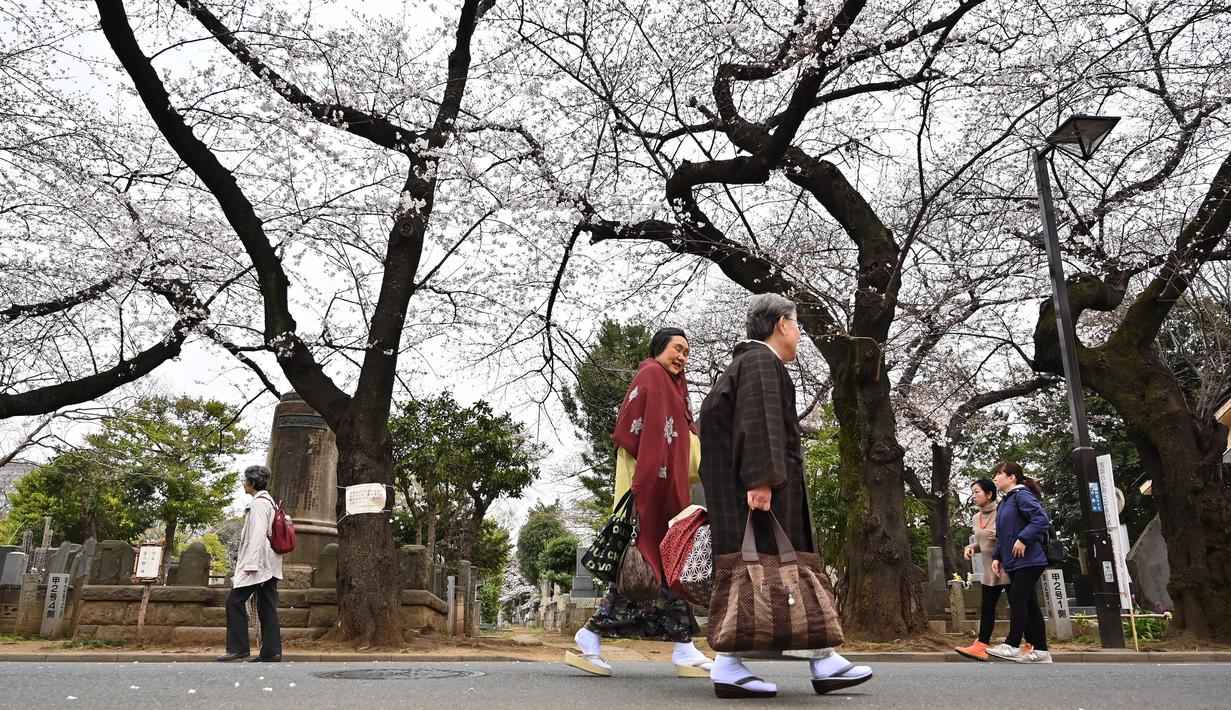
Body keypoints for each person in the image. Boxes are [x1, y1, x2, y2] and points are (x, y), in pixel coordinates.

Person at [698, 294, 872, 699]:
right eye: (797, 324)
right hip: (759, 493)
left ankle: (800, 659)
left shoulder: (744, 364)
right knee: (781, 570)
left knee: (758, 573)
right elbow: (757, 423)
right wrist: (762, 479)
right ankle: (817, 659)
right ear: (780, 324)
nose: (800, 333)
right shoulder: (760, 362)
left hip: (745, 492)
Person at [565, 327, 714, 678]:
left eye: (686, 352)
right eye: (676, 349)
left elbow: (685, 446)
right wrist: (648, 482)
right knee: (647, 570)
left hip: (666, 492)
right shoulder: (650, 375)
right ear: (659, 349)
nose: (682, 357)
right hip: (647, 490)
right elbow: (629, 434)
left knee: (664, 571)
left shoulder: (675, 387)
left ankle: (684, 648)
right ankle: (591, 636)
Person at [986, 460, 1052, 663]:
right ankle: (1041, 651)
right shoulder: (1006, 501)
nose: (995, 478)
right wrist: (997, 557)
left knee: (1017, 599)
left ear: (1011, 477)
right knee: (1029, 604)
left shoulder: (1022, 496)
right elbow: (1002, 534)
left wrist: (1024, 538)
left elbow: (1041, 520)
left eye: (998, 474)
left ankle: (1012, 645)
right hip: (1015, 561)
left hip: (1030, 559)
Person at [216, 465, 284, 662]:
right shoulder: (268, 501)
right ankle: (271, 651)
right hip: (270, 562)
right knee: (266, 605)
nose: (243, 483)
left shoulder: (258, 504)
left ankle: (238, 647)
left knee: (234, 601)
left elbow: (257, 534)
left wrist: (251, 564)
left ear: (253, 483)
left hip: (259, 563)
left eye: (245, 480)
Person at [955, 478, 1013, 661]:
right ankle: (982, 645)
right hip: (990, 569)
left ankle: (1026, 645)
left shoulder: (1003, 512)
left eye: (977, 492)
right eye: (972, 492)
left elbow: (1013, 534)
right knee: (987, 608)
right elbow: (983, 542)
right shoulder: (975, 517)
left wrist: (1002, 535)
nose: (973, 496)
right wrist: (972, 547)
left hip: (1007, 567)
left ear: (989, 494)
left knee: (1020, 607)